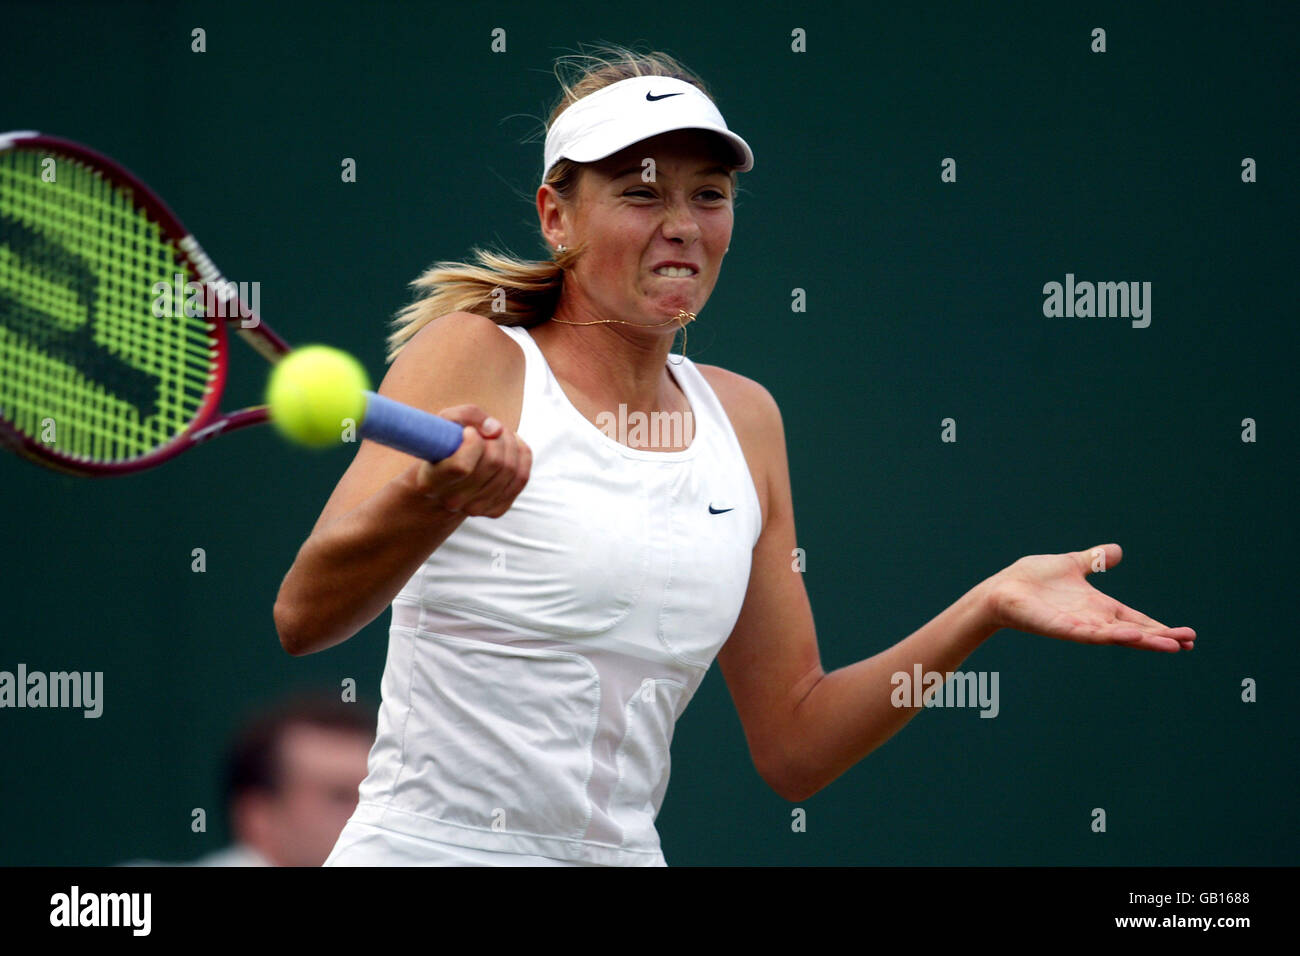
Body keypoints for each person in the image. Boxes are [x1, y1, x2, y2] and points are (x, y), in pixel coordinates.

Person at [273, 46, 1196, 867]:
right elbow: (304, 617)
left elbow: (796, 746)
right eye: (641, 192)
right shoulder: (475, 354)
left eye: (707, 195)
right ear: (557, 216)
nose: (682, 222)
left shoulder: (746, 418)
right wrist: (433, 502)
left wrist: (986, 607)